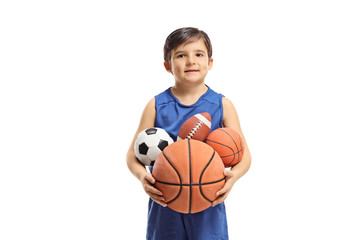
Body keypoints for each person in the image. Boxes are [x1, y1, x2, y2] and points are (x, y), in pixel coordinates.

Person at [126, 27, 251, 240]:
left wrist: (233, 177)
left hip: (208, 199)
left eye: (198, 54)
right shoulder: (156, 105)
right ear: (168, 65)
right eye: (181, 55)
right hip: (165, 200)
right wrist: (142, 177)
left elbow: (245, 155)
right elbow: (132, 155)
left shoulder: (222, 105)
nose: (191, 61)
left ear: (210, 63)